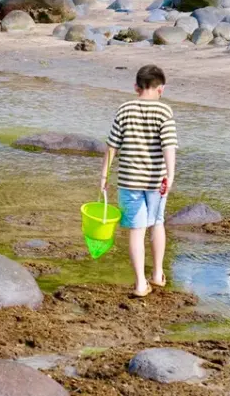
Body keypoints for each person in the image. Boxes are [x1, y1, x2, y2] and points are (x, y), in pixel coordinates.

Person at [99, 65, 178, 298]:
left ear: (136, 87)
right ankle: (157, 274)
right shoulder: (164, 111)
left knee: (136, 229)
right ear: (161, 89)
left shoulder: (124, 109)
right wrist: (170, 175)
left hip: (128, 181)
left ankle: (140, 283)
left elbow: (112, 146)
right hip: (156, 181)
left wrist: (104, 176)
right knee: (157, 223)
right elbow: (169, 146)